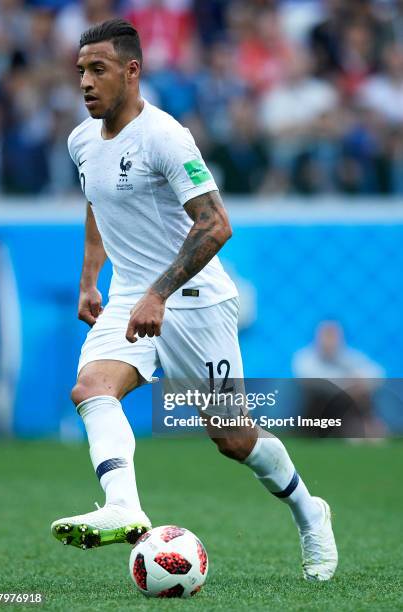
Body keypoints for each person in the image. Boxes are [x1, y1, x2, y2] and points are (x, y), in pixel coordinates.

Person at [51, 19, 338, 582]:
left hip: (196, 298)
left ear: (132, 71)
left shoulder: (165, 137)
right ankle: (124, 506)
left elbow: (215, 225)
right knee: (91, 387)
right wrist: (91, 277)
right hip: (134, 294)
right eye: (80, 70)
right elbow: (96, 203)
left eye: (98, 69)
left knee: (232, 437)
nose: (85, 81)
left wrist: (160, 293)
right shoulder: (81, 140)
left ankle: (310, 511)